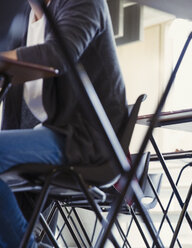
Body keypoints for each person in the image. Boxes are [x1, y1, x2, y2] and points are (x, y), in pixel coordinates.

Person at [0, 0, 127, 247]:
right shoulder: (20, 17)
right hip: (44, 135)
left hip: (85, 141)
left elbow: (59, 53)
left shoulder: (83, 2)